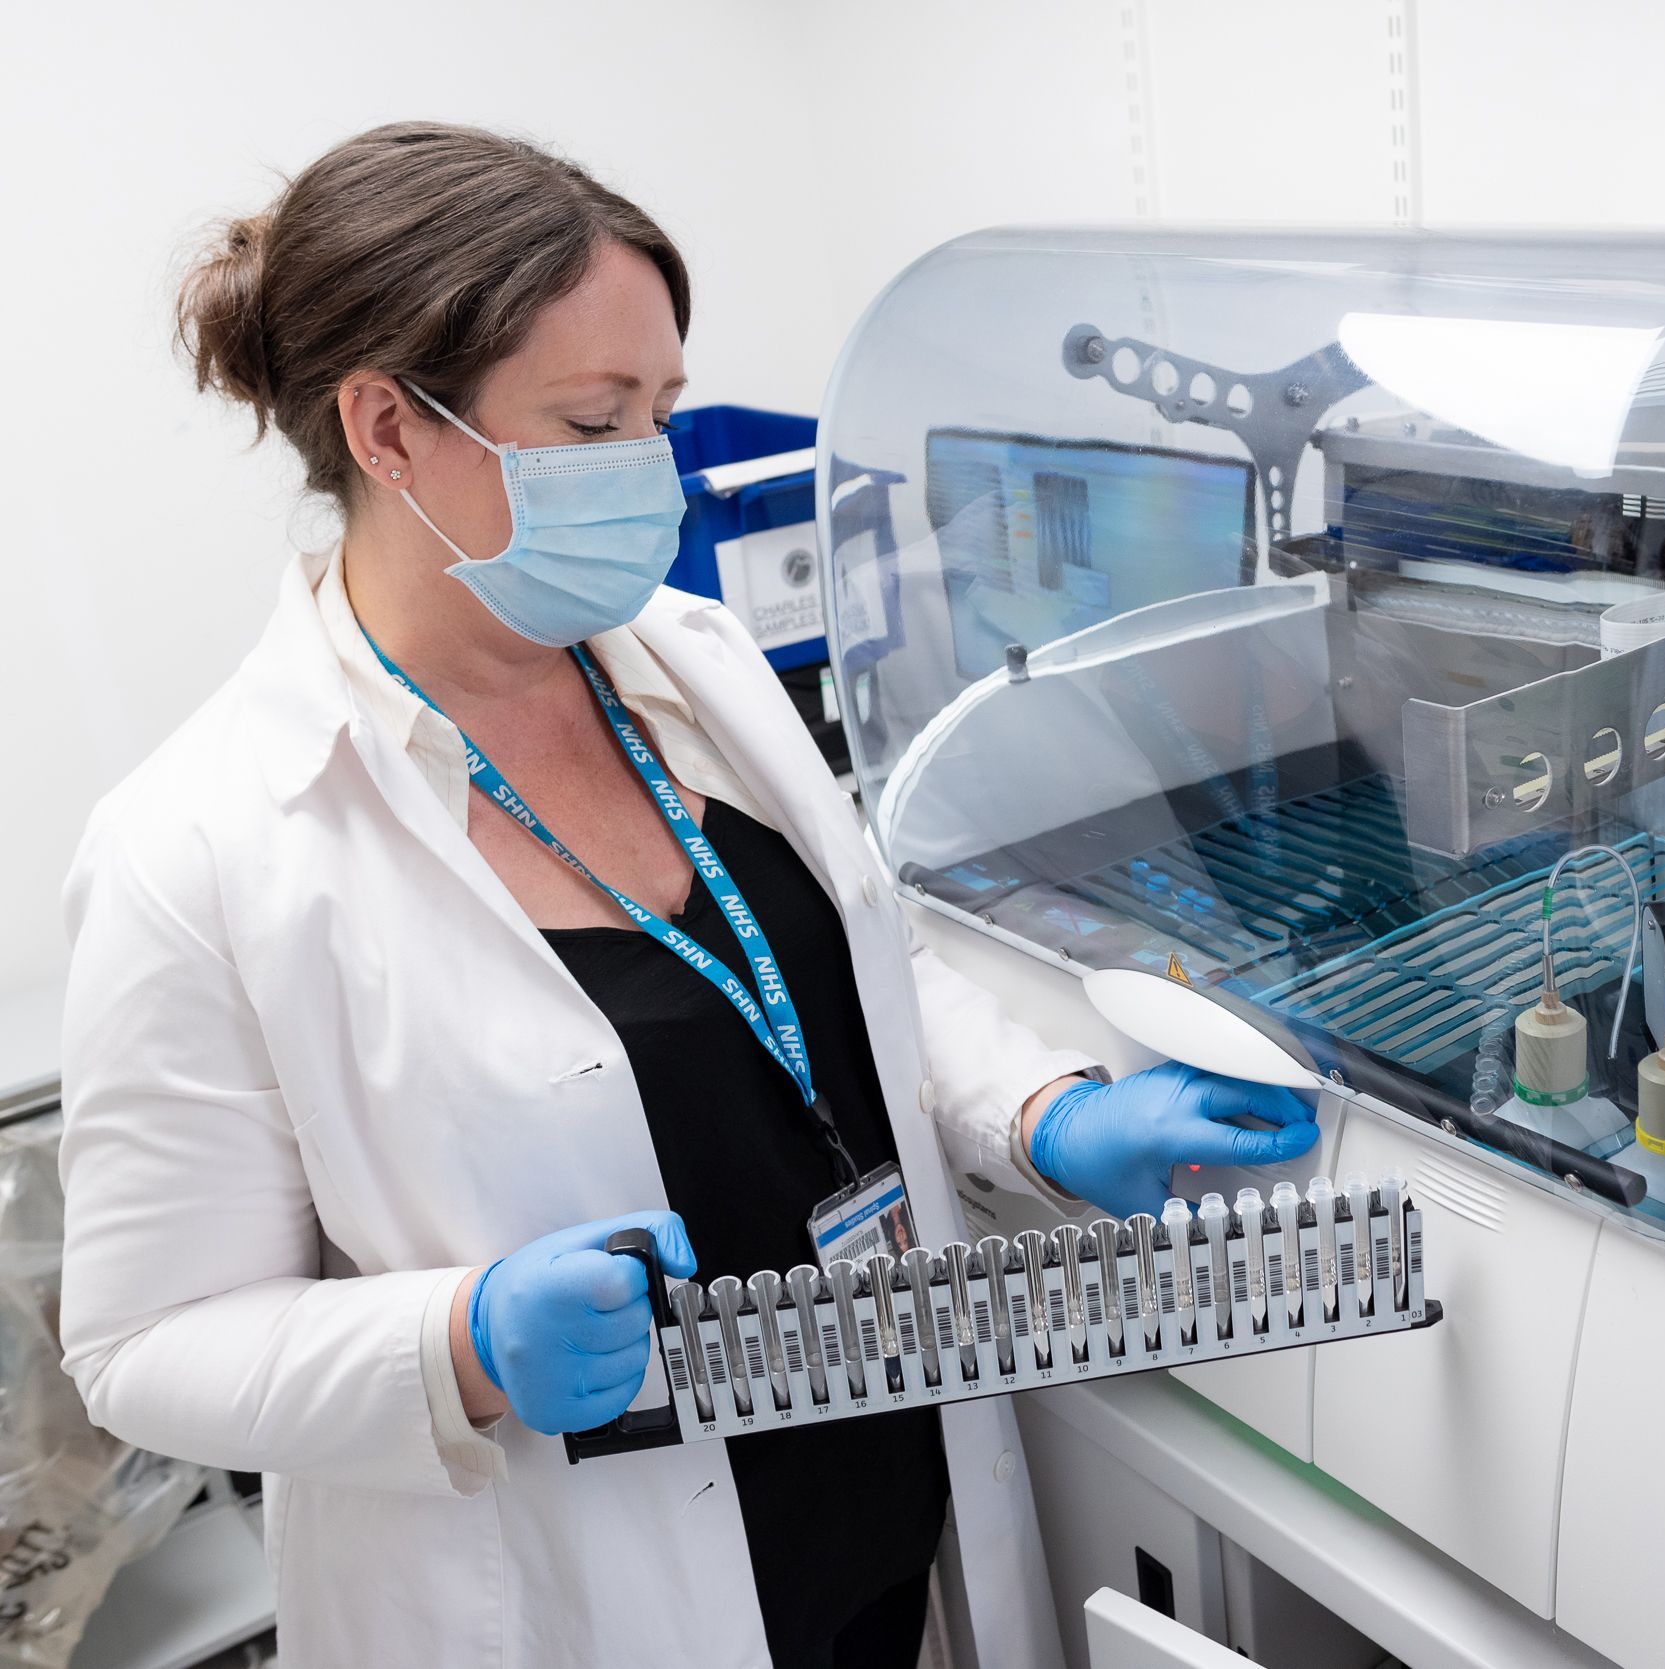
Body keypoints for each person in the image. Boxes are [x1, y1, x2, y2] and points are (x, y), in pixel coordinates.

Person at [55, 122, 1315, 1669]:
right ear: (386, 427)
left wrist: (1043, 1111)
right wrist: (455, 1344)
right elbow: (140, 1347)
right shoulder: (201, 846)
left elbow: (861, 958)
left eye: (662, 410)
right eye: (592, 422)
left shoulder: (690, 662)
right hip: (584, 1608)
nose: (650, 471)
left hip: (887, 1539)